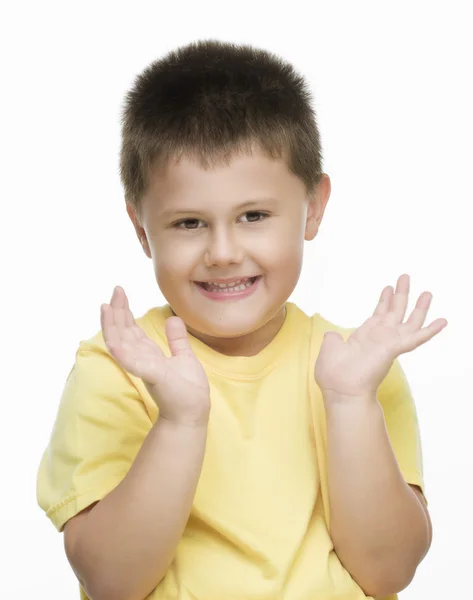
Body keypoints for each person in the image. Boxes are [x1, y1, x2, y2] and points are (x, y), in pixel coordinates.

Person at [37, 38, 446, 600]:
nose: (224, 252)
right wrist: (179, 423)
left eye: (253, 215)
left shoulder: (355, 367)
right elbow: (112, 580)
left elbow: (388, 570)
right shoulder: (118, 368)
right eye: (188, 223)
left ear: (313, 207)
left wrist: (352, 403)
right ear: (140, 229)